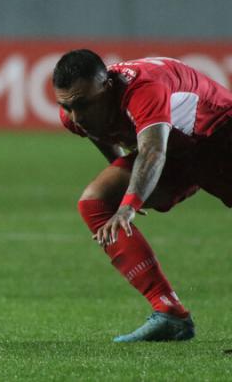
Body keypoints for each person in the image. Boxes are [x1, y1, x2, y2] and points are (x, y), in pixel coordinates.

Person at [53, 49, 232, 342]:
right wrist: (128, 189)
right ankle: (168, 311)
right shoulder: (75, 113)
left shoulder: (143, 88)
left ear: (107, 87)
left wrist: (129, 205)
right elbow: (110, 140)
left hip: (219, 134)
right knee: (95, 202)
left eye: (83, 104)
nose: (76, 116)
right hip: (175, 150)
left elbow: (152, 150)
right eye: (66, 106)